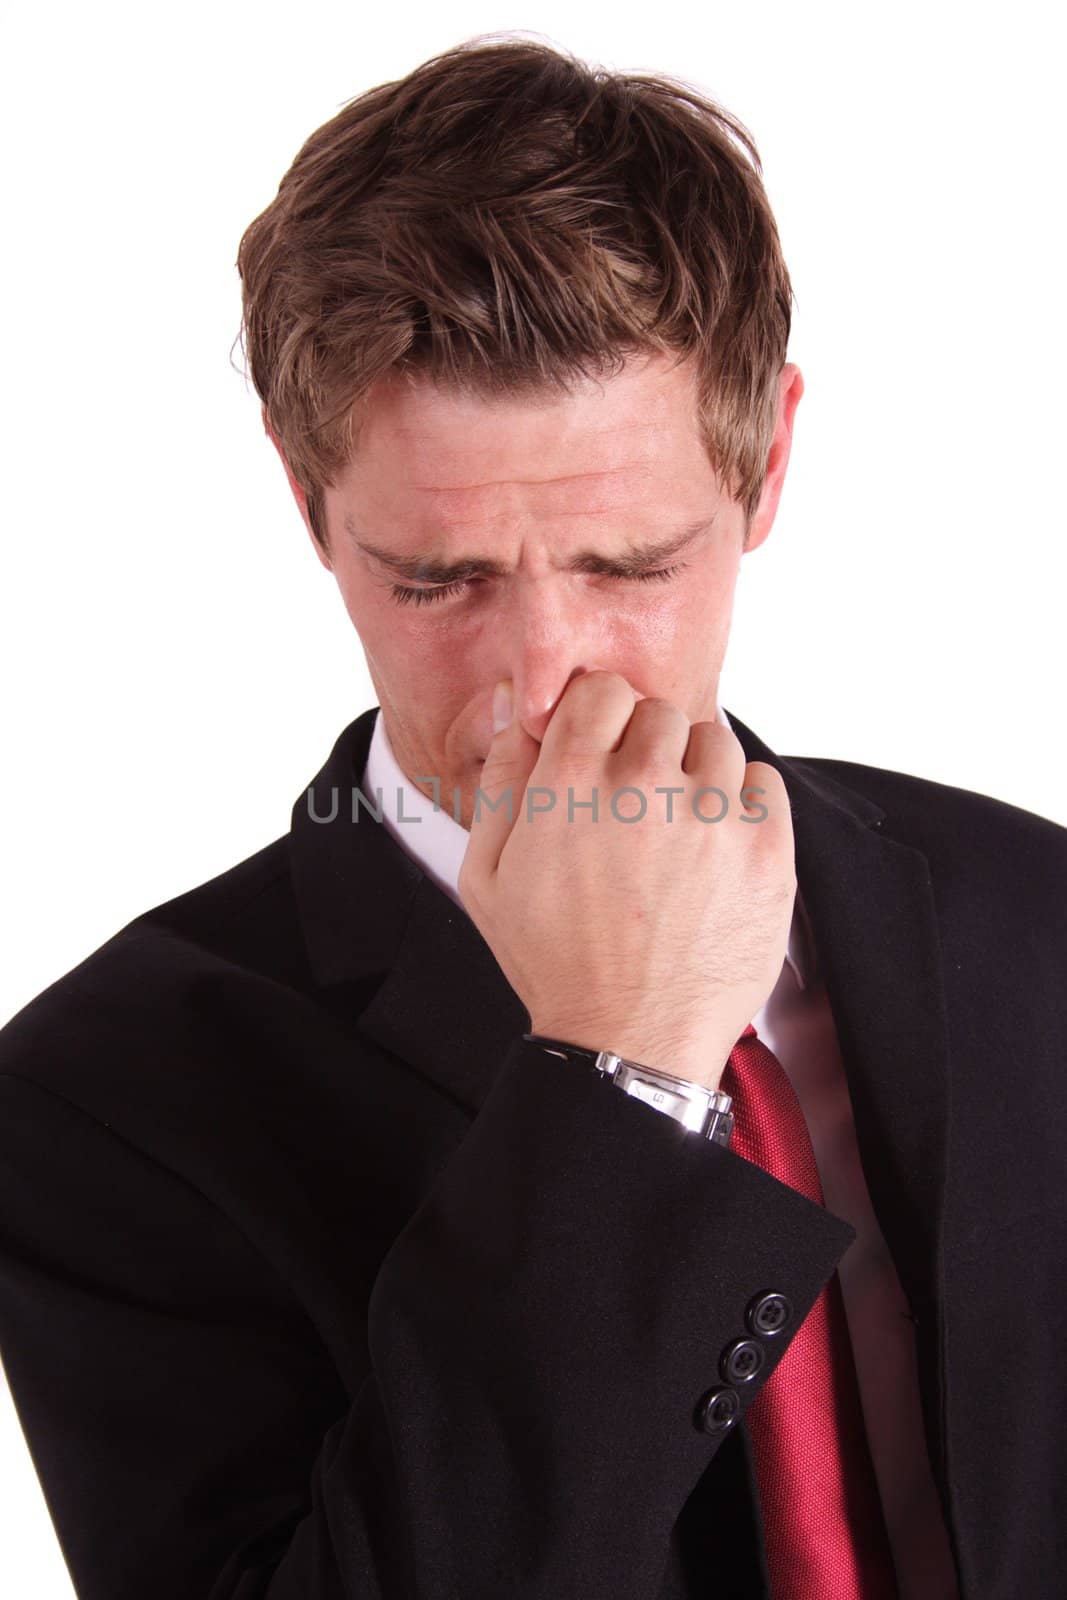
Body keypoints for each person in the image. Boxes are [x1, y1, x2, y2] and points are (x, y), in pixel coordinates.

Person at [0, 34, 1063, 1600]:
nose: (539, 678)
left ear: (766, 463)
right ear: (308, 506)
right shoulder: (99, 1101)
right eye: (439, 582)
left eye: (629, 565)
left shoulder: (1028, 915)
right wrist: (617, 1081)